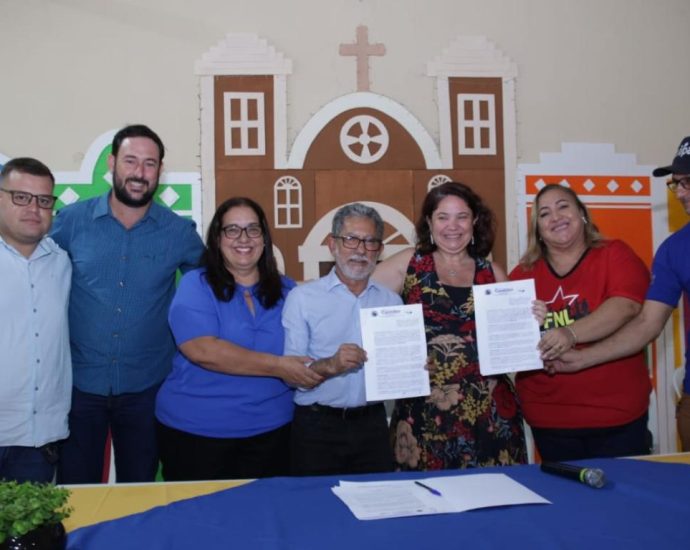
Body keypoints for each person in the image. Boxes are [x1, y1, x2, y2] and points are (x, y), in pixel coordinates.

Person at [51, 124, 205, 484]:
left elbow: (212, 287)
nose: (139, 172)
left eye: (149, 164)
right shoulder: (71, 222)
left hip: (147, 388)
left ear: (160, 170)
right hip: (79, 386)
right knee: (77, 492)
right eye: (130, 161)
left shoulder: (179, 232)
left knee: (140, 490)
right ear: (112, 163)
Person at [155, 197, 322, 480]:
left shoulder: (289, 291)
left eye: (253, 229)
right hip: (195, 433)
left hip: (274, 432)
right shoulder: (196, 285)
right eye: (232, 230)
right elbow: (203, 350)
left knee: (267, 509)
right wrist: (278, 366)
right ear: (217, 239)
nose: (243, 238)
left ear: (264, 239)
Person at [374, 182, 526, 470]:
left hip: (491, 418)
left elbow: (517, 340)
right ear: (429, 222)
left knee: (497, 494)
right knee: (424, 495)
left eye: (462, 217)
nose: (452, 226)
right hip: (424, 416)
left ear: (475, 221)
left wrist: (533, 318)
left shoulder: (493, 273)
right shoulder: (409, 264)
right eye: (442, 217)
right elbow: (356, 298)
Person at [557, 136, 690, 452]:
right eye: (677, 184)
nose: (680, 193)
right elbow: (646, 323)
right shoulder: (673, 249)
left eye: (687, 182)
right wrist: (582, 358)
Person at [510, 184, 651, 461]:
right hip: (549, 418)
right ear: (538, 229)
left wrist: (569, 334)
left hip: (616, 416)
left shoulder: (615, 253)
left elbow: (627, 305)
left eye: (563, 206)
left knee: (623, 489)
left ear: (582, 213)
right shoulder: (521, 275)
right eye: (544, 213)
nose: (556, 217)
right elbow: (509, 335)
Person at [282, 203, 402, 476]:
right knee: (315, 502)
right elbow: (291, 376)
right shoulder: (302, 299)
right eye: (351, 239)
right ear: (332, 245)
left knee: (377, 499)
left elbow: (397, 369)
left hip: (372, 426)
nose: (360, 250)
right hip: (317, 428)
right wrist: (331, 365)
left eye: (370, 241)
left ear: (379, 250)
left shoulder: (391, 301)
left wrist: (415, 367)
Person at [0, 158, 71, 483]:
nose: (34, 208)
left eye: (43, 200)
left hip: (38, 439)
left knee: (35, 518)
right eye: (21, 197)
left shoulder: (61, 262)